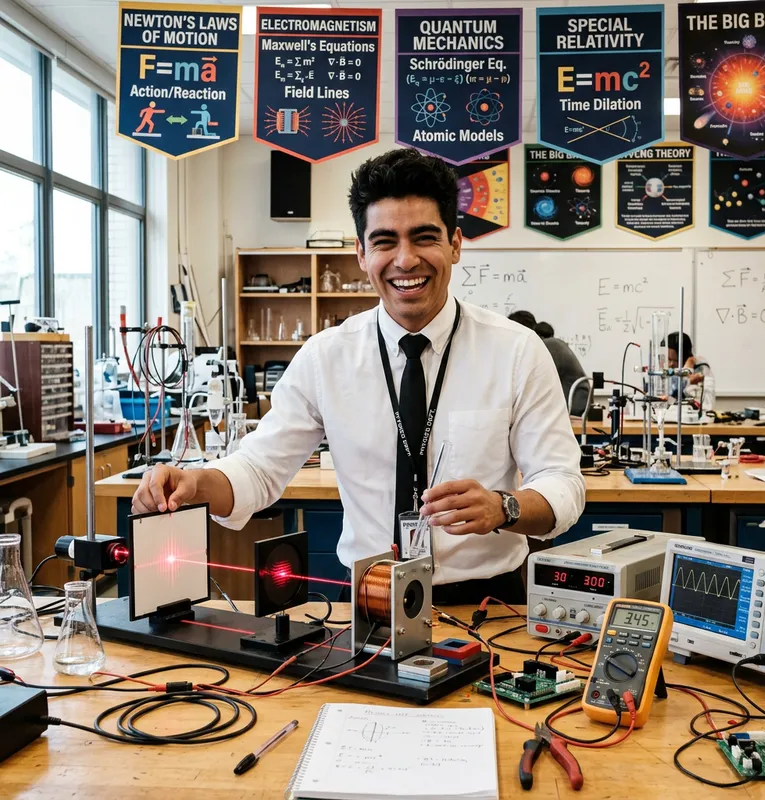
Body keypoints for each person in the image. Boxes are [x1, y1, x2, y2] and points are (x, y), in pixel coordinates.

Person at [132, 148, 585, 604]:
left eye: (424, 237)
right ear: (361, 253)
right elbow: (257, 469)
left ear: (455, 245)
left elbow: (563, 484)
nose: (405, 260)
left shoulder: (516, 351)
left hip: (489, 602)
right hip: (371, 604)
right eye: (385, 241)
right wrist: (198, 485)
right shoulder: (326, 357)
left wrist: (503, 507)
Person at [508, 310, 590, 416]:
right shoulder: (552, 344)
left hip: (574, 412)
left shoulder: (549, 346)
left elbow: (527, 381)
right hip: (571, 408)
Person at [666, 332, 712, 402]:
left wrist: (687, 371)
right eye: (668, 359)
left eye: (676, 360)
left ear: (684, 356)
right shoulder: (667, 372)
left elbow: (706, 403)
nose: (671, 364)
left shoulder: (700, 368)